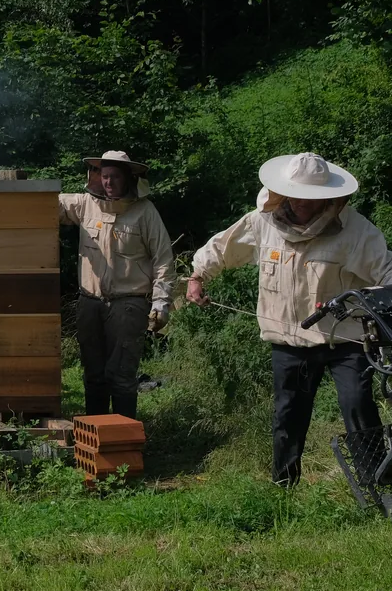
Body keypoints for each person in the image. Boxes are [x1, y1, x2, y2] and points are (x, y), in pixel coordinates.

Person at [188, 152, 392, 485]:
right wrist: (198, 276)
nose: (302, 203)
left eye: (311, 198)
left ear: (328, 197)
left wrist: (379, 299)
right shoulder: (262, 221)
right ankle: (284, 486)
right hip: (290, 340)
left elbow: (386, 271)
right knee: (288, 414)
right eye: (296, 195)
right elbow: (222, 248)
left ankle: (379, 484)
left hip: (346, 338)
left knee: (357, 404)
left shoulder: (355, 230)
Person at [60, 150, 175, 419]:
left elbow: (163, 260)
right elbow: (50, 205)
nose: (108, 182)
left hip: (129, 304)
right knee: (93, 374)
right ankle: (95, 439)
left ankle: (124, 443)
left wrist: (161, 303)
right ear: (96, 177)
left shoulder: (145, 212)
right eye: (104, 176)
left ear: (128, 180)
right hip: (90, 303)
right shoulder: (85, 203)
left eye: (114, 177)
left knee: (122, 375)